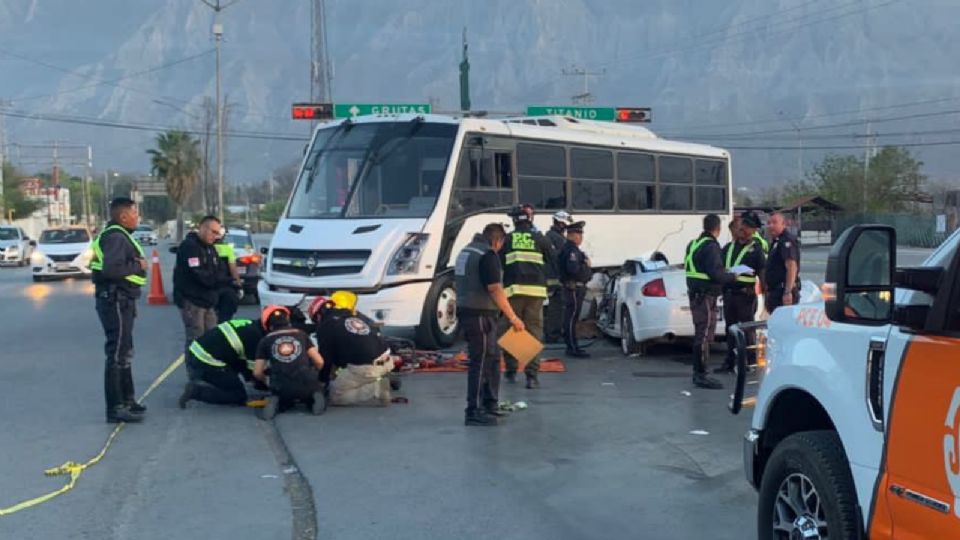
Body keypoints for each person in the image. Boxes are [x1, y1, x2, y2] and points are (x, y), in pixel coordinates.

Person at [455, 223, 525, 426]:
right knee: (481, 362)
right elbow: (495, 289)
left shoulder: (466, 251)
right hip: (480, 315)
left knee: (492, 358)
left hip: (468, 311)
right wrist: (513, 317)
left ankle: (490, 404)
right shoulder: (487, 255)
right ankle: (474, 410)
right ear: (498, 240)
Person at [91, 197, 148, 423]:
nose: (137, 217)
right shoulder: (115, 237)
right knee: (116, 352)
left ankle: (128, 400)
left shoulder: (118, 235)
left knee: (125, 351)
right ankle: (116, 408)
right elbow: (112, 270)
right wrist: (139, 266)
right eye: (135, 213)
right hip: (115, 299)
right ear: (123, 216)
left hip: (122, 299)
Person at [308, 291, 395, 406]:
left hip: (367, 368)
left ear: (318, 315)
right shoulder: (355, 314)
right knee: (351, 370)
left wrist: (322, 382)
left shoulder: (325, 326)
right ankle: (378, 376)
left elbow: (326, 361)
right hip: (387, 360)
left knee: (336, 396)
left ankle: (376, 389)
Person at [684, 214, 741, 389]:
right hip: (705, 296)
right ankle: (701, 374)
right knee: (704, 334)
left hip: (696, 294)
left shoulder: (693, 244)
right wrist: (733, 275)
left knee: (702, 332)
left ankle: (700, 372)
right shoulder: (711, 246)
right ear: (718, 229)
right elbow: (716, 273)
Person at [500, 204, 553, 388]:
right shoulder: (540, 238)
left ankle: (511, 369)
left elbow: (498, 265)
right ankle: (532, 377)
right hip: (536, 293)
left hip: (513, 293)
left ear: (514, 221)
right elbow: (551, 260)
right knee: (534, 333)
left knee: (512, 331)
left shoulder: (507, 239)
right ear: (530, 219)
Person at [173, 215, 233, 362]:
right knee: (196, 338)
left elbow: (219, 270)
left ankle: (209, 371)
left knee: (212, 337)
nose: (215, 236)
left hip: (208, 300)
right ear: (202, 228)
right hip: (192, 300)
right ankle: (194, 372)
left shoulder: (211, 249)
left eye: (217, 232)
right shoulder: (190, 247)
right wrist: (219, 280)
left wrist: (227, 281)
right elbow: (199, 274)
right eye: (212, 232)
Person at [715, 212, 766, 374]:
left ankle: (750, 362)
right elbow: (720, 268)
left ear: (753, 231)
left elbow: (762, 273)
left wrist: (765, 294)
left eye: (747, 227)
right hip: (730, 294)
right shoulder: (729, 248)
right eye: (742, 226)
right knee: (730, 330)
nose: (743, 229)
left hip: (746, 295)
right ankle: (730, 362)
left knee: (747, 330)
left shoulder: (755, 250)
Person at [253, 306, 326, 420]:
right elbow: (319, 361)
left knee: (279, 389)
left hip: (281, 385)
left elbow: (257, 372)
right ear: (288, 320)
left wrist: (267, 381)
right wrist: (315, 374)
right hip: (306, 380)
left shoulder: (265, 341)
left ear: (267, 324)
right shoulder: (302, 335)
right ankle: (314, 394)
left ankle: (276, 399)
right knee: (311, 383)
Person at [178, 318, 265, 408]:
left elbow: (244, 360)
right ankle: (196, 392)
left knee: (241, 359)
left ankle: (224, 380)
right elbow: (255, 371)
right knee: (238, 395)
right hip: (205, 360)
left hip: (200, 350)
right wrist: (267, 382)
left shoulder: (250, 324)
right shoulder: (255, 337)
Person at [558, 221, 592, 358]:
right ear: (571, 235)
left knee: (572, 317)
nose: (581, 237)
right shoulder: (571, 250)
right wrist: (585, 265)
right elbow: (573, 270)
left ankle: (573, 346)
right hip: (573, 288)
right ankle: (572, 347)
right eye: (578, 234)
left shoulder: (573, 249)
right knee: (571, 318)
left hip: (575, 287)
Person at [543, 210, 573, 343]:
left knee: (553, 307)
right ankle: (553, 335)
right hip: (554, 278)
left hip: (551, 276)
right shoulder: (556, 238)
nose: (566, 228)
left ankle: (552, 333)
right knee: (556, 307)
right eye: (564, 225)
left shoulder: (550, 236)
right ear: (559, 223)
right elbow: (559, 259)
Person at [763, 212, 801, 314]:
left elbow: (791, 267)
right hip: (774, 291)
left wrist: (788, 292)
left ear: (784, 224)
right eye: (769, 223)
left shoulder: (787, 240)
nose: (770, 226)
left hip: (783, 291)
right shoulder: (776, 241)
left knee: (785, 325)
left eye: (775, 223)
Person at [214, 229, 243, 323]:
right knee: (225, 318)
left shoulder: (205, 248)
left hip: (209, 288)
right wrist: (239, 285)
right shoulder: (227, 249)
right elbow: (233, 270)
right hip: (225, 287)